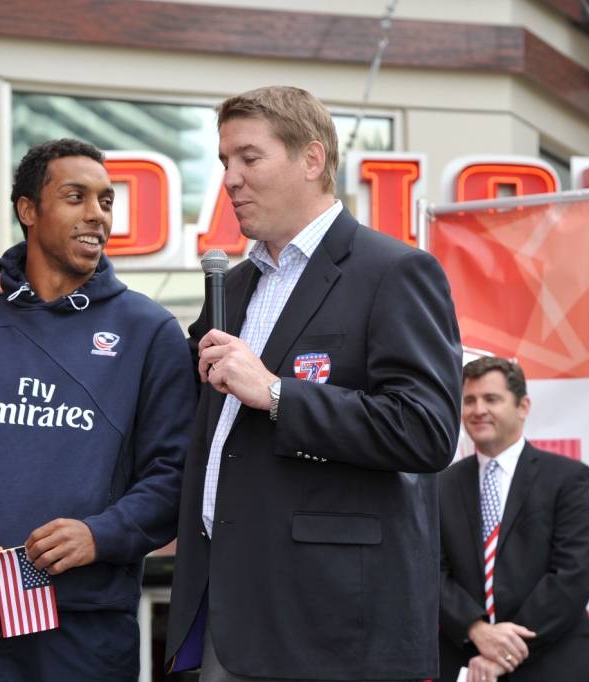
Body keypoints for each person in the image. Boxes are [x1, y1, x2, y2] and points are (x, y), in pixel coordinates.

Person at [163, 85, 462, 682]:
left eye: (250, 158)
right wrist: (21, 299)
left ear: (312, 159)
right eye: (225, 162)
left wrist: (276, 394)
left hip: (333, 627)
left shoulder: (395, 271)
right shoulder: (234, 285)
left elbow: (426, 431)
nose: (231, 179)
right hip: (228, 608)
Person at [0, 138, 196, 681]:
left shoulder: (149, 332)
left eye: (106, 201)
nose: (96, 216)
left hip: (87, 631)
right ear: (28, 210)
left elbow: (173, 477)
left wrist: (100, 533)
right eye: (75, 197)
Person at [437, 356, 589, 682]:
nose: (478, 410)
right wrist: (476, 630)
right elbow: (430, 571)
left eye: (491, 399)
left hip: (553, 663)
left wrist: (505, 649)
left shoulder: (568, 478)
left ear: (523, 406)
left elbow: (573, 573)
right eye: (469, 400)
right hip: (466, 661)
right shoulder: (440, 485)